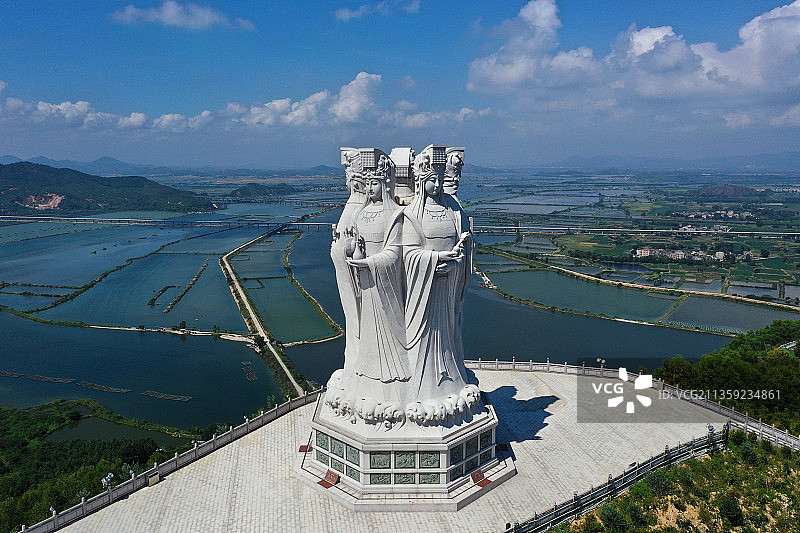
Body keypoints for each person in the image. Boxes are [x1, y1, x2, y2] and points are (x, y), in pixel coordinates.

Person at [401, 152, 474, 416]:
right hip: (424, 287)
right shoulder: (411, 215)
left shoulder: (453, 210)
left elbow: (464, 239)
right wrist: (435, 258)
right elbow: (408, 253)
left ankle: (450, 375)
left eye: (441, 180)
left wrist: (459, 254)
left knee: (447, 332)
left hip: (447, 284)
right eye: (432, 180)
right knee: (425, 336)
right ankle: (423, 384)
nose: (438, 185)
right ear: (421, 182)